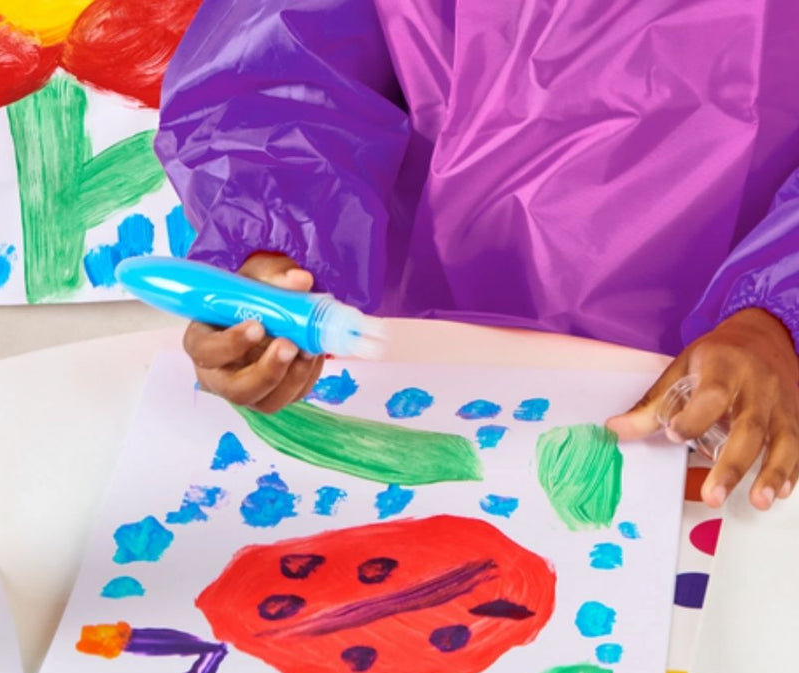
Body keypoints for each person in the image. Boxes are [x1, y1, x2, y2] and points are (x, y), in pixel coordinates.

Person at [155, 0, 799, 510]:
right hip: (420, 373)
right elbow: (284, 66)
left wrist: (774, 313)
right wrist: (277, 257)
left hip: (730, 405)